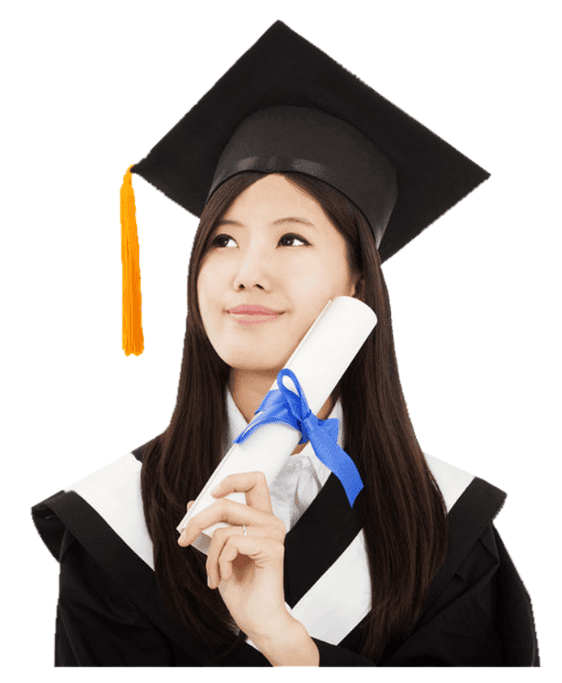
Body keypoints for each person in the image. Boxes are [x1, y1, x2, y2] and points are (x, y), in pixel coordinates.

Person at [31, 21, 539, 666]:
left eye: (291, 239)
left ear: (359, 277)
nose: (247, 270)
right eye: (223, 240)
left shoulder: (445, 527)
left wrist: (286, 643)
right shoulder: (117, 521)